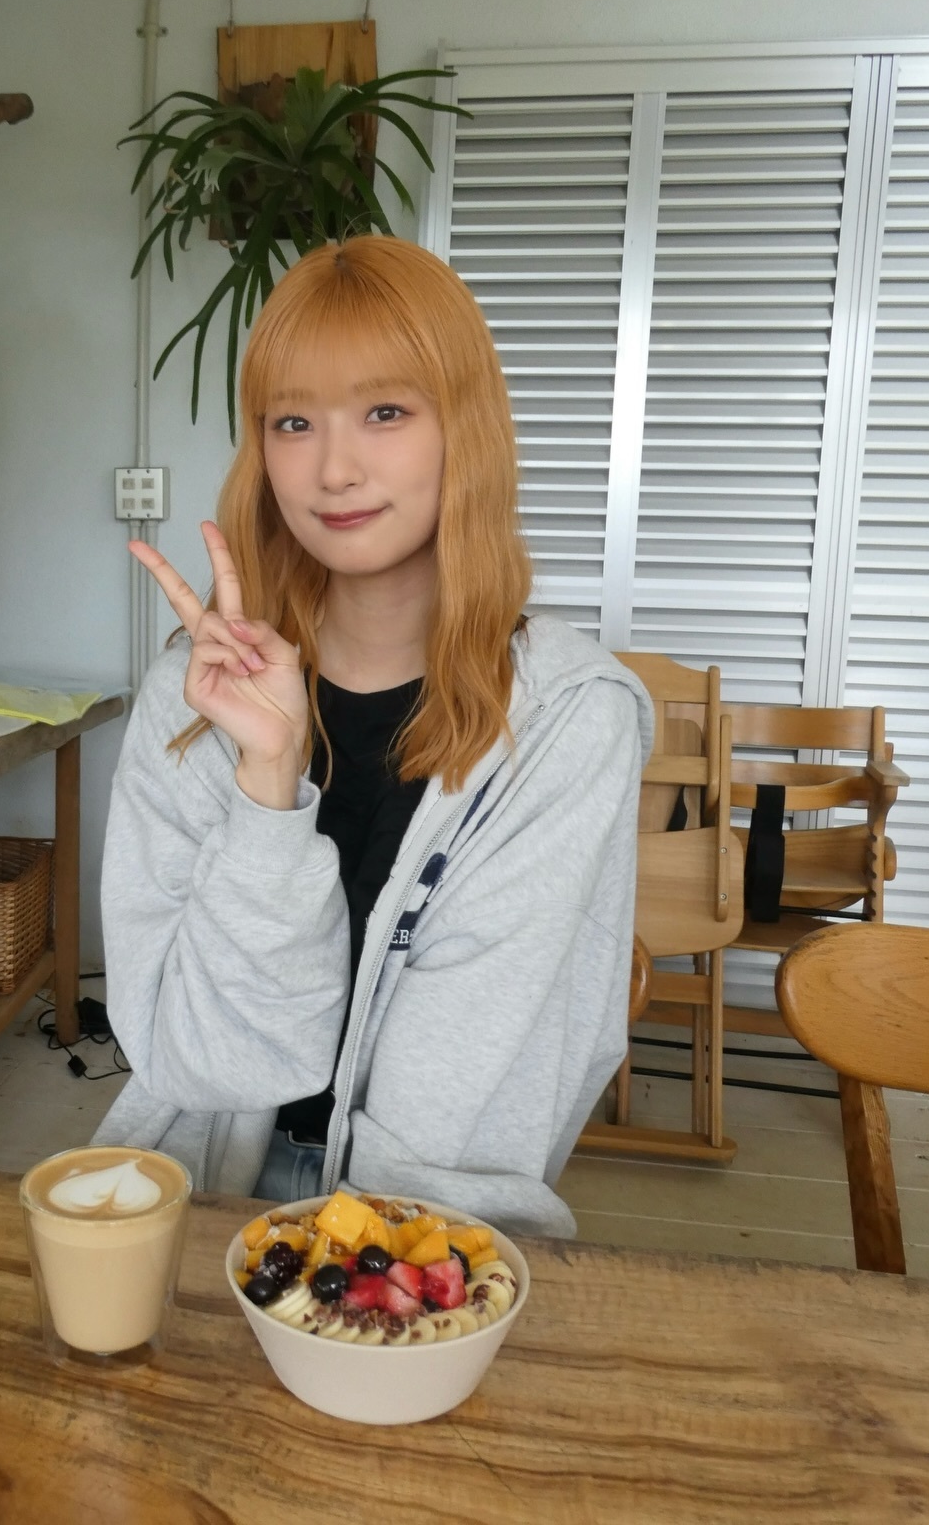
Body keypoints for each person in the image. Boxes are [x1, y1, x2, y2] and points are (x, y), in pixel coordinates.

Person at [93, 236, 652, 1235]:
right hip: (192, 1189)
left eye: (385, 412)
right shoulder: (192, 698)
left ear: (465, 428)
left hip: (427, 1225)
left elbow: (461, 1096)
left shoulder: (568, 721)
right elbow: (203, 1061)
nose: (334, 469)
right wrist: (268, 785)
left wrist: (350, 1276)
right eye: (293, 422)